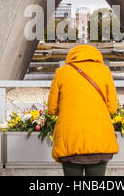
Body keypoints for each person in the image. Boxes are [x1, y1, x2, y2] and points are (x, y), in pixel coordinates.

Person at [47, 45, 119, 176]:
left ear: (71, 57)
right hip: (99, 141)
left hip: (70, 142)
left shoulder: (62, 72)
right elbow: (113, 108)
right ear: (96, 56)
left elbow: (52, 109)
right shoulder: (104, 71)